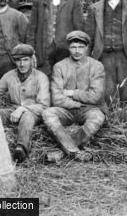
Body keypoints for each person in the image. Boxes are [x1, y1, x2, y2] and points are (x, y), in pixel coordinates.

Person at [42, 31, 106, 162]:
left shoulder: (96, 66)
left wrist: (72, 93)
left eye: (81, 47)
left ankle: (62, 152)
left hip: (89, 110)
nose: (77, 51)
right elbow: (57, 98)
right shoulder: (59, 66)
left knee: (98, 117)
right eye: (73, 47)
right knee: (48, 113)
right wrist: (77, 103)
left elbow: (95, 97)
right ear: (68, 48)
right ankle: (74, 151)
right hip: (66, 110)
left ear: (87, 48)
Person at [0, 44, 50, 162]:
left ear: (31, 60)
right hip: (13, 111)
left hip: (33, 112)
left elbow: (44, 105)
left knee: (27, 116)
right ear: (14, 61)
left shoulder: (41, 77)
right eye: (18, 60)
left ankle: (21, 148)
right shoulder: (9, 76)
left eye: (25, 60)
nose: (22, 64)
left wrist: (22, 109)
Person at [26, 0, 85, 76]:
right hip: (43, 50)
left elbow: (79, 29)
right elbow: (32, 28)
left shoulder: (73, 1)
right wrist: (31, 51)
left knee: (64, 81)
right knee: (44, 81)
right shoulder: (38, 0)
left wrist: (78, 50)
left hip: (65, 51)